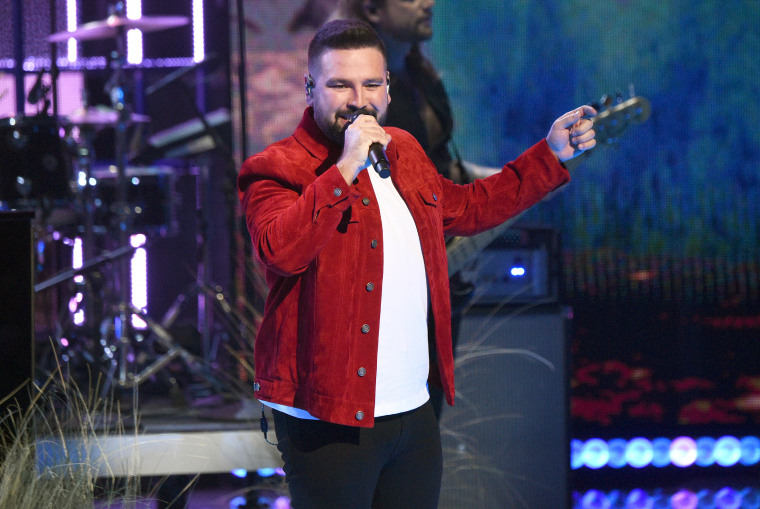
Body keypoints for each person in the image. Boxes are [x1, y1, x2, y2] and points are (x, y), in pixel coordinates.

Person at [237, 19, 595, 509]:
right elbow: (279, 251)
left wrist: (549, 156)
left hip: (412, 409)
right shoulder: (277, 169)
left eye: (370, 84)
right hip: (329, 417)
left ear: (387, 89)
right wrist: (346, 166)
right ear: (310, 89)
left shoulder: (401, 149)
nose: (356, 99)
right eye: (339, 84)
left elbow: (467, 208)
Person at [329, 0, 503, 419]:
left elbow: (442, 166)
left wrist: (517, 179)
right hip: (393, 278)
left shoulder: (418, 73)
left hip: (442, 265)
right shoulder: (360, 98)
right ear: (372, 8)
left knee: (426, 413)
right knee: (396, 414)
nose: (429, 3)